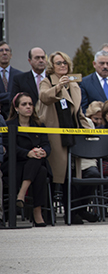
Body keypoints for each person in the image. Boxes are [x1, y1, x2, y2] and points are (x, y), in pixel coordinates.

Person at [37, 51, 96, 224]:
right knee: (58, 175)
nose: (63, 66)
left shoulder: (74, 83)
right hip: (55, 134)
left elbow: (78, 112)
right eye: (58, 63)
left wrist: (89, 129)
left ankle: (76, 211)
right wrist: (58, 87)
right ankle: (55, 214)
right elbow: (44, 97)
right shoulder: (47, 81)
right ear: (52, 66)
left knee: (74, 174)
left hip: (73, 133)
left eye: (65, 63)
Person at [1, 93, 51, 227]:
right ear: (16, 108)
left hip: (34, 162)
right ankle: (37, 212)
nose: (28, 107)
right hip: (14, 164)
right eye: (24, 104)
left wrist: (42, 151)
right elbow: (9, 147)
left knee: (39, 167)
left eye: (30, 104)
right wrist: (28, 153)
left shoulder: (39, 125)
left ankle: (21, 195)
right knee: (39, 168)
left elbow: (47, 145)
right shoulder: (8, 124)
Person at [0, 41, 23, 119]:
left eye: (7, 50)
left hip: (15, 116)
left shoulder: (20, 75)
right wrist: (12, 96)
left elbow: (21, 95)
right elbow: (15, 95)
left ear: (11, 55)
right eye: (1, 50)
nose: (4, 53)